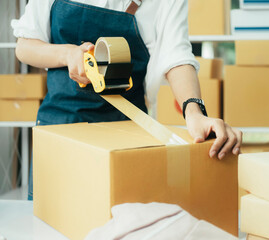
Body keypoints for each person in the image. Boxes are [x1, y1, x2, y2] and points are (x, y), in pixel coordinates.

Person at [12, 0, 242, 200]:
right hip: (59, 131)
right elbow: (25, 46)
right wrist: (68, 54)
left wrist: (194, 112)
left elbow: (177, 57)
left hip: (125, 135)